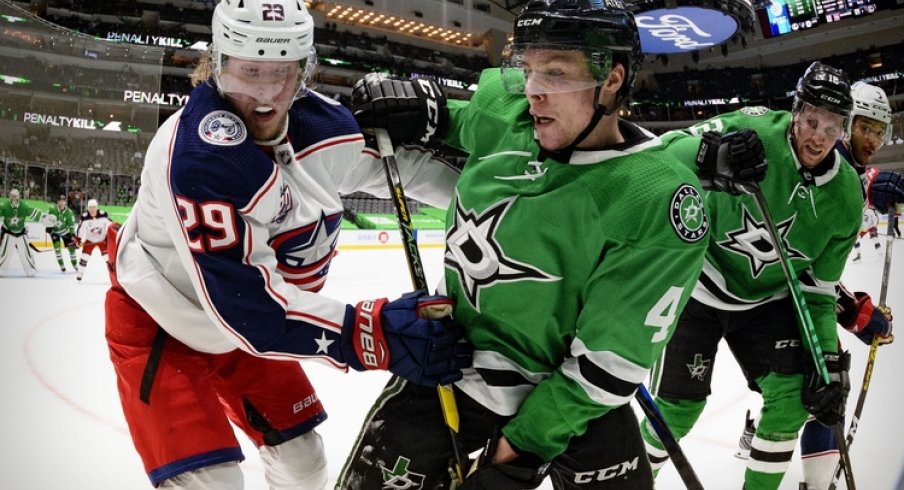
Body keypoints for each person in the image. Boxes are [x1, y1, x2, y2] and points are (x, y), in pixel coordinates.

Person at [337, 0, 766, 487]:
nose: (534, 91)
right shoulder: (513, 107)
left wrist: (517, 453)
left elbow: (605, 367)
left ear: (612, 80)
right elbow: (466, 121)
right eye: (530, 69)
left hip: (574, 399)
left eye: (557, 74)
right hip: (452, 364)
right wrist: (426, 109)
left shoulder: (657, 201)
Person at [104, 0, 470, 488]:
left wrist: (496, 198)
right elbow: (251, 309)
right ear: (217, 65)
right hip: (164, 325)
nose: (265, 94)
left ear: (305, 69)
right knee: (214, 483)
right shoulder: (197, 160)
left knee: (304, 462)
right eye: (249, 72)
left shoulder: (322, 125)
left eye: (284, 74)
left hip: (245, 329)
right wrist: (375, 333)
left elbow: (409, 169)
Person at [640, 61, 864, 490]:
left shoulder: (846, 196)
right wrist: (712, 155)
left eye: (831, 128)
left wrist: (829, 363)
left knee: (790, 403)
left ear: (843, 132)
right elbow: (663, 151)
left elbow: (818, 292)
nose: (817, 136)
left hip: (767, 301)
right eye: (811, 120)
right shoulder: (754, 131)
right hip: (698, 285)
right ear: (795, 111)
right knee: (676, 411)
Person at [734, 80, 900, 490]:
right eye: (864, 127)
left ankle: (761, 431)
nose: (873, 139)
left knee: (821, 384)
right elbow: (802, 269)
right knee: (823, 382)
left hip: (779, 294)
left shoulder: (846, 172)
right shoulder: (822, 166)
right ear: (846, 125)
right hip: (758, 294)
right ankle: (789, 455)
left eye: (880, 131)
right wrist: (858, 313)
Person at [0, 188, 42, 277]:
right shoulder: (4, 205)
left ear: (18, 196)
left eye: (15, 196)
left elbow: (33, 213)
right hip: (9, 233)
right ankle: (1, 270)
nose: (14, 198)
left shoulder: (24, 205)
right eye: (12, 196)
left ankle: (31, 270)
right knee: (4, 253)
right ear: (9, 196)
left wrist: (44, 218)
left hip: (21, 234)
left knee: (26, 253)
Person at [74, 198, 113, 281]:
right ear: (88, 208)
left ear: (97, 207)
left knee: (108, 259)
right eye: (90, 207)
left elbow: (111, 226)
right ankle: (80, 275)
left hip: (102, 239)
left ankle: (114, 276)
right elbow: (80, 230)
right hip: (90, 240)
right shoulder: (84, 217)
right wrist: (78, 240)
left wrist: (110, 237)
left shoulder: (103, 215)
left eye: (94, 207)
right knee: (84, 257)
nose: (92, 209)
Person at [43, 194, 79, 272]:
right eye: (60, 201)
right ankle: (61, 265)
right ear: (58, 202)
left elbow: (71, 224)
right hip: (55, 232)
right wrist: (48, 227)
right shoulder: (52, 210)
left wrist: (72, 234)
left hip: (66, 232)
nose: (62, 203)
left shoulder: (69, 212)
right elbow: (45, 218)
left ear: (65, 202)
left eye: (63, 201)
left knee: (72, 249)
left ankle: (75, 264)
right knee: (57, 248)